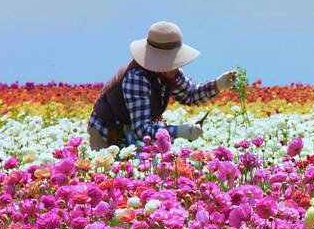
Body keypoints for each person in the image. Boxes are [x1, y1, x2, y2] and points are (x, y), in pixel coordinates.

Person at [87, 21, 236, 150]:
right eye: (171, 61)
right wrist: (180, 132)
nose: (176, 66)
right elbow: (142, 130)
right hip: (107, 132)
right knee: (112, 179)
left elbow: (189, 95)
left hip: (130, 133)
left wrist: (218, 85)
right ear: (157, 61)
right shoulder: (137, 77)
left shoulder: (171, 73)